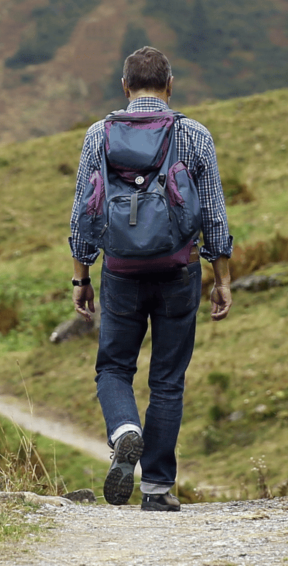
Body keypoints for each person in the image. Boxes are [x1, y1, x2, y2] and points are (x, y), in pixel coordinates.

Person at [68, 46, 233, 512]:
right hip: (179, 270)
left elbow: (84, 210)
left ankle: (125, 430)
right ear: (170, 85)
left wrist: (81, 276)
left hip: (120, 271)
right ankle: (157, 488)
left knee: (114, 367)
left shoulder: (98, 135)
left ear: (125, 87)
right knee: (167, 379)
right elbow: (215, 215)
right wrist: (222, 277)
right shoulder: (194, 135)